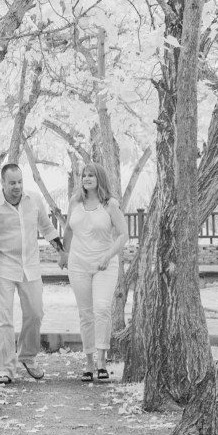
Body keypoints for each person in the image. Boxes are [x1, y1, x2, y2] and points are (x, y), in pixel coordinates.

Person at [0, 163, 68, 385]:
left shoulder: (33, 199)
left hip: (30, 267)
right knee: (4, 320)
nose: (17, 187)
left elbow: (46, 227)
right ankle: (5, 369)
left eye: (20, 182)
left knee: (36, 313)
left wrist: (61, 252)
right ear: (2, 183)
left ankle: (27, 357)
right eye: (12, 183)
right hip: (3, 269)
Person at [63, 162, 128, 383]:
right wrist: (64, 253)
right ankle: (89, 362)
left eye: (91, 175)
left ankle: (102, 360)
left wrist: (107, 256)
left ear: (100, 178)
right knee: (86, 313)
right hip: (78, 264)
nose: (87, 178)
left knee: (102, 308)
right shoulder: (75, 202)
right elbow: (69, 230)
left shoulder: (110, 204)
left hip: (104, 264)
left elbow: (122, 235)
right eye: (84, 175)